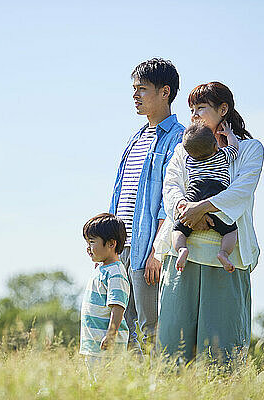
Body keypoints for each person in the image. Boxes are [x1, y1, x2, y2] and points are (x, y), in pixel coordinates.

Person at [154, 82, 264, 366]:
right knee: (173, 349)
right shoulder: (183, 150)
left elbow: (241, 190)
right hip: (182, 253)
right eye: (191, 109)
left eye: (200, 108)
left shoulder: (248, 149)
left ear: (223, 109)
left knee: (220, 352)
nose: (194, 115)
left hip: (226, 258)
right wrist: (186, 210)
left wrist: (201, 208)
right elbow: (171, 188)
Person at [109, 58, 185, 350]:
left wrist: (157, 250)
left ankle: (161, 386)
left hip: (147, 251)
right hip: (122, 246)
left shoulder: (177, 138)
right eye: (134, 89)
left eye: (142, 89)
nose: (135, 95)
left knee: (151, 327)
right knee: (125, 327)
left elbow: (171, 202)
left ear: (165, 92)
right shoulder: (136, 138)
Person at [172, 121, 239, 273]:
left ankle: (181, 249)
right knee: (230, 231)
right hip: (215, 196)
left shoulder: (189, 160)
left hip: (193, 196)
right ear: (215, 146)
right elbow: (234, 148)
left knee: (178, 229)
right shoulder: (222, 155)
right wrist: (229, 134)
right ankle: (223, 253)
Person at [79, 213, 130, 377]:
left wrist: (111, 335)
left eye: (92, 242)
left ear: (111, 244)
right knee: (95, 387)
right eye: (87, 242)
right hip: (94, 345)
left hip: (107, 347)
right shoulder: (101, 269)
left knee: (106, 386)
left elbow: (118, 306)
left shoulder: (115, 272)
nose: (88, 247)